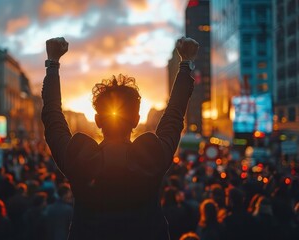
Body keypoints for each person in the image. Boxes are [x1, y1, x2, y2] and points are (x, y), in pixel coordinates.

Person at [41, 36, 198, 239]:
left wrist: (53, 63)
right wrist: (185, 63)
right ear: (136, 120)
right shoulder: (152, 158)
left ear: (97, 120)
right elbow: (174, 115)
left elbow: (52, 117)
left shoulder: (79, 159)